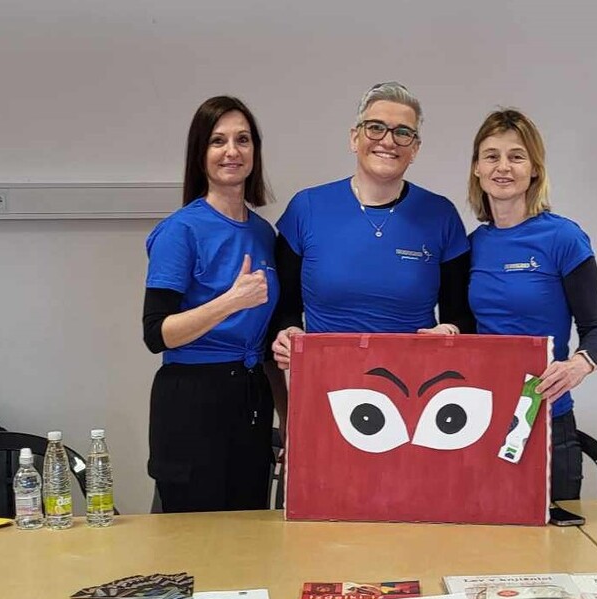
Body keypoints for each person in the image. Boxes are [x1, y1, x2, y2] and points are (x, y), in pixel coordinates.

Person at [270, 81, 472, 372]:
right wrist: (288, 333)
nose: (388, 141)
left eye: (403, 132)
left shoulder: (441, 215)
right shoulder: (307, 208)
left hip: (412, 384)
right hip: (325, 381)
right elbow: (284, 309)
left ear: (415, 149)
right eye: (375, 127)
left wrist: (450, 332)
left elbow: (461, 316)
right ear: (355, 138)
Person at [141, 95, 282, 512]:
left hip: (252, 395)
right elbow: (156, 333)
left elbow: (267, 344)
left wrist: (288, 419)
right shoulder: (181, 231)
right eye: (218, 141)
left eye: (243, 139)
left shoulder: (264, 233)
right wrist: (230, 302)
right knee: (194, 537)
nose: (232, 151)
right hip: (192, 399)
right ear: (200, 153)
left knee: (249, 532)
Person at [466, 108, 597, 502]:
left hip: (547, 417)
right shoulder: (472, 245)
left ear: (534, 170)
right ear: (477, 168)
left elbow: (595, 331)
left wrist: (579, 365)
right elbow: (465, 330)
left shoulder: (564, 238)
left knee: (553, 536)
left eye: (516, 156)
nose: (503, 167)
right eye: (491, 156)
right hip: (482, 419)